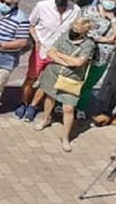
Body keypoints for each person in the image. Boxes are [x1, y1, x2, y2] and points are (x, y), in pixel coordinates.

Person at [15, 0, 81, 121]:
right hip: (42, 48)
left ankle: (33, 106)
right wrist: (37, 41)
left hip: (58, 52)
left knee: (47, 82)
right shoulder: (42, 6)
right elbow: (31, 24)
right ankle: (24, 102)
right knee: (31, 77)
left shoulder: (75, 10)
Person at [31, 18, 95, 151]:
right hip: (53, 73)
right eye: (73, 28)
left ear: (84, 32)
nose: (73, 31)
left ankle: (65, 137)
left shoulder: (88, 45)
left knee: (68, 108)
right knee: (49, 97)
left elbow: (78, 63)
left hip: (71, 79)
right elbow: (50, 52)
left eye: (77, 30)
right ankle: (45, 119)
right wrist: (67, 61)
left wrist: (60, 56)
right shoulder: (65, 35)